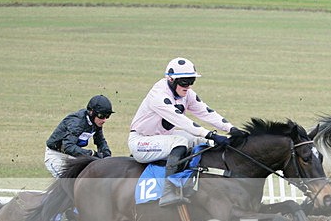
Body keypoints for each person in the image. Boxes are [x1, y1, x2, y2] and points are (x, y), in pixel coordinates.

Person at [129, 57, 244, 206]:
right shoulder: (158, 95)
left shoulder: (187, 93)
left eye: (191, 81)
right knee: (181, 141)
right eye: (184, 82)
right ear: (171, 79)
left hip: (164, 137)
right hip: (141, 142)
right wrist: (211, 134)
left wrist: (231, 129)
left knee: (202, 142)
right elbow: (182, 121)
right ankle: (168, 191)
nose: (188, 86)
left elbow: (206, 112)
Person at [44, 95, 114, 178]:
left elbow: (100, 141)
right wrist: (91, 153)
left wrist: (107, 156)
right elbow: (68, 146)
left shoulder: (95, 123)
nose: (104, 120)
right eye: (101, 116)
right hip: (56, 155)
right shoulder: (77, 122)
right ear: (91, 112)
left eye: (107, 116)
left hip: (72, 156)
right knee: (68, 183)